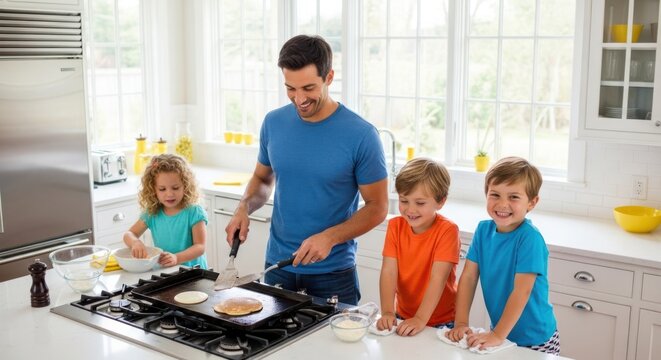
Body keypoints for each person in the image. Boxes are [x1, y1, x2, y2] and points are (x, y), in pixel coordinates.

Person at [224, 34, 389, 305]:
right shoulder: (273, 123)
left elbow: (378, 206)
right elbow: (262, 178)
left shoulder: (361, 135)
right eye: (290, 88)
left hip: (332, 273)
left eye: (308, 88)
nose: (299, 99)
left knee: (334, 349)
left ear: (329, 77)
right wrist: (244, 206)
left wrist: (329, 237)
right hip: (278, 268)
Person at [446, 157, 559, 355]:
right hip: (501, 332)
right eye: (495, 195)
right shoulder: (483, 231)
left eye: (514, 197)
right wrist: (461, 322)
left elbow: (522, 291)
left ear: (532, 202)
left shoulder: (529, 239)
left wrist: (498, 334)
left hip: (535, 338)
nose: (502, 204)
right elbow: (469, 278)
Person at [377, 158, 460, 336]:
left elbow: (438, 278)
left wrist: (421, 319)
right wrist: (387, 312)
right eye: (404, 200)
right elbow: (388, 272)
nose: (410, 210)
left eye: (420, 203)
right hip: (403, 316)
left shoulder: (447, 231)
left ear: (441, 201)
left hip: (441, 321)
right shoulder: (395, 226)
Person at [123, 154, 208, 269]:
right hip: (166, 272)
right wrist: (135, 243)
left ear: (186, 186)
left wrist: (177, 258)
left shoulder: (194, 212)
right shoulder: (152, 212)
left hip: (192, 272)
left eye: (175, 188)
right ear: (153, 190)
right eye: (162, 189)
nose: (169, 194)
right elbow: (129, 234)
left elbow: (200, 246)